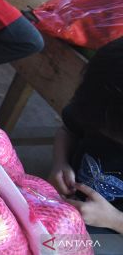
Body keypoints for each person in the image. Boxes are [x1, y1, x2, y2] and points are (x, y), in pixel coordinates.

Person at [50, 38, 123, 247]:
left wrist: (115, 220)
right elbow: (68, 130)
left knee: (57, 247)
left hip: (113, 232)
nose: (103, 132)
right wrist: (60, 162)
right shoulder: (98, 104)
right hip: (68, 205)